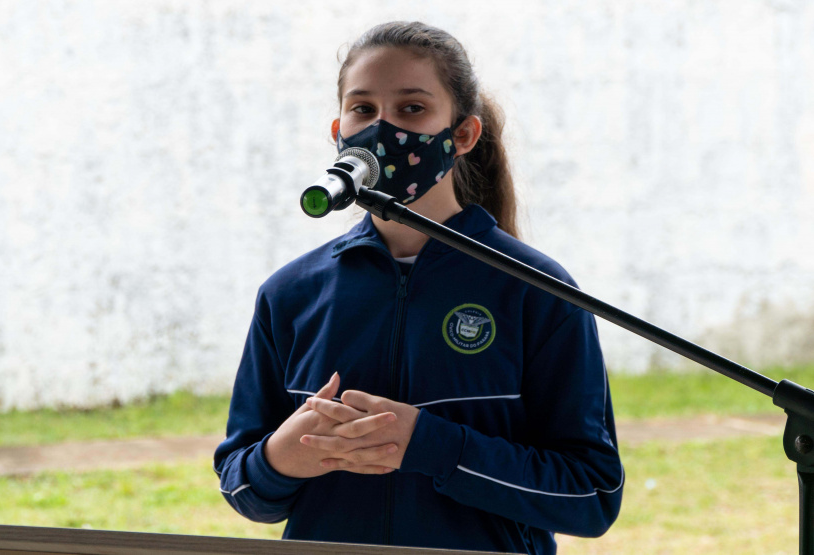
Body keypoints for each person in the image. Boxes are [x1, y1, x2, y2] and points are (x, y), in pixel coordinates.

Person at [214, 21, 624, 555]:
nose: (382, 129)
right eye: (363, 109)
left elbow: (591, 496)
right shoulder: (289, 295)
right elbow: (243, 487)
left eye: (412, 109)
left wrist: (429, 446)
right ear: (338, 130)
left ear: (461, 136)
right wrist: (280, 459)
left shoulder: (537, 290)